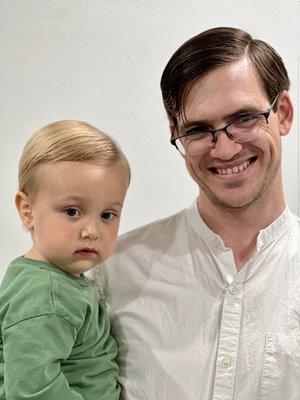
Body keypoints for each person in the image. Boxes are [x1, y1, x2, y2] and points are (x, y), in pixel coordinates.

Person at [93, 27, 300, 400]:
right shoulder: (112, 271)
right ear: (176, 133)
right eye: (198, 130)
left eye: (244, 118)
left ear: (282, 113)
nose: (223, 150)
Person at [0, 120, 130, 399]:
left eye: (107, 215)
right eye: (72, 211)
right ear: (28, 211)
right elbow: (31, 391)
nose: (92, 231)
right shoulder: (45, 295)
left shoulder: (57, 280)